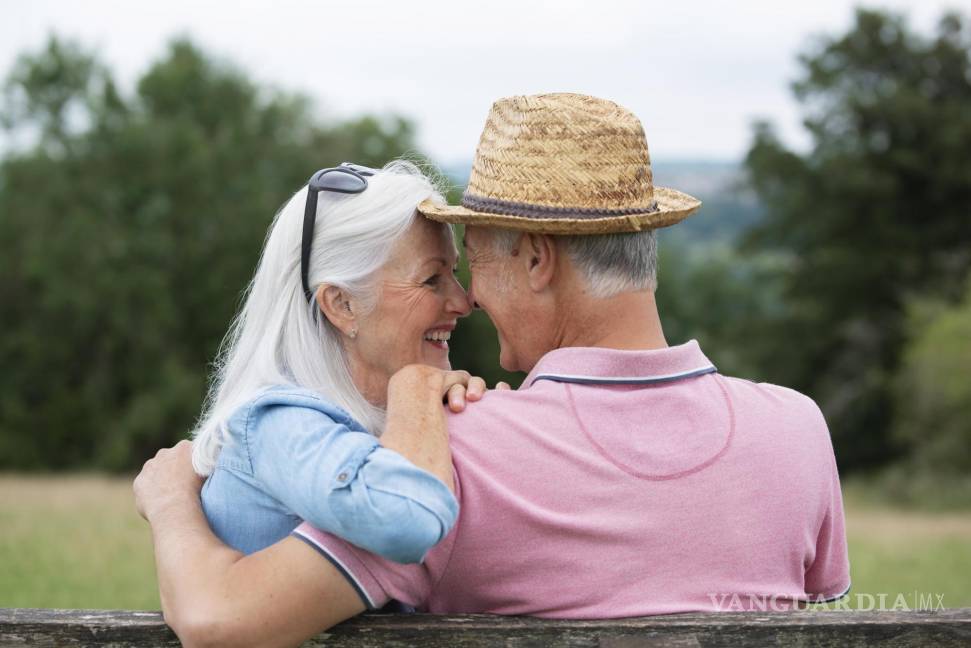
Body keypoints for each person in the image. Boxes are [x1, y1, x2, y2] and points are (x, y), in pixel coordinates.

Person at [134, 93, 851, 648]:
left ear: (538, 259)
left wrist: (171, 505)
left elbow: (223, 619)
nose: (469, 298)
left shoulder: (451, 455)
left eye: (476, 261)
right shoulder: (796, 429)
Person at [185, 160, 500, 564]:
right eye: (431, 279)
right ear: (342, 305)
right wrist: (416, 389)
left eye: (454, 272)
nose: (462, 301)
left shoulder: (372, 422)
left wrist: (487, 426)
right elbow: (406, 520)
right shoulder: (275, 426)